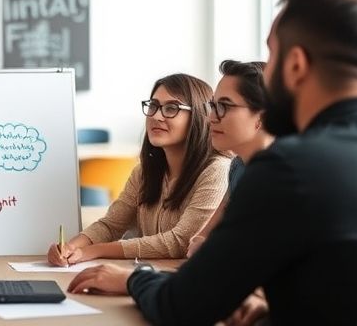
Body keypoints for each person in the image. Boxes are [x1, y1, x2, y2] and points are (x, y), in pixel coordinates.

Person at [68, 0, 357, 325]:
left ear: (296, 66)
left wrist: (133, 278)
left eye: (272, 55)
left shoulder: (290, 169)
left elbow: (183, 306)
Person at [47, 73, 230, 266]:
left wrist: (93, 251)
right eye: (153, 106)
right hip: (149, 277)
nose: (156, 116)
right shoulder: (144, 172)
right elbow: (111, 225)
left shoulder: (217, 171)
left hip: (182, 285)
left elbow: (180, 242)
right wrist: (70, 248)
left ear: (199, 116)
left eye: (171, 108)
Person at [186, 60, 273, 257]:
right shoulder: (238, 164)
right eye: (213, 105)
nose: (210, 118)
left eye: (224, 106)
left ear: (262, 116)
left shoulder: (282, 177)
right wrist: (200, 237)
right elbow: (226, 206)